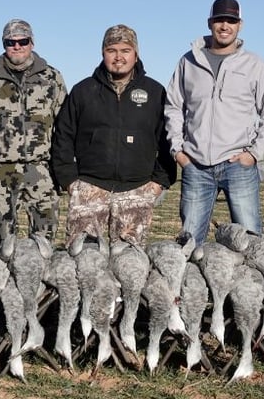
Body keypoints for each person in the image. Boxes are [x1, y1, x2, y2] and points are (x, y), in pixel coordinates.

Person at [164, 0, 264, 245]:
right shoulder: (188, 61)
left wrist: (253, 154)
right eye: (220, 20)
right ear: (210, 23)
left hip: (238, 165)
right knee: (189, 243)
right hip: (196, 165)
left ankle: (252, 284)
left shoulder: (254, 65)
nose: (225, 25)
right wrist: (178, 150)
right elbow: (174, 106)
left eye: (231, 20)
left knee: (250, 242)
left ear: (240, 25)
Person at [52, 24, 175, 246]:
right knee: (85, 261)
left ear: (136, 55)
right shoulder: (83, 91)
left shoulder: (154, 92)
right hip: (90, 189)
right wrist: (70, 182)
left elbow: (168, 140)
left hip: (137, 190)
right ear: (103, 54)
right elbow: (62, 136)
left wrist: (158, 183)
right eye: (112, 50)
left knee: (129, 265)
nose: (118, 57)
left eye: (125, 50)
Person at [0, 19, 67, 246]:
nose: (17, 46)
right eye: (10, 42)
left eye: (22, 41)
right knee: (3, 241)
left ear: (31, 43)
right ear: (4, 44)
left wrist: (64, 172)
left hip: (42, 170)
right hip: (1, 172)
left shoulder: (52, 78)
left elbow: (64, 128)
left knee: (44, 242)